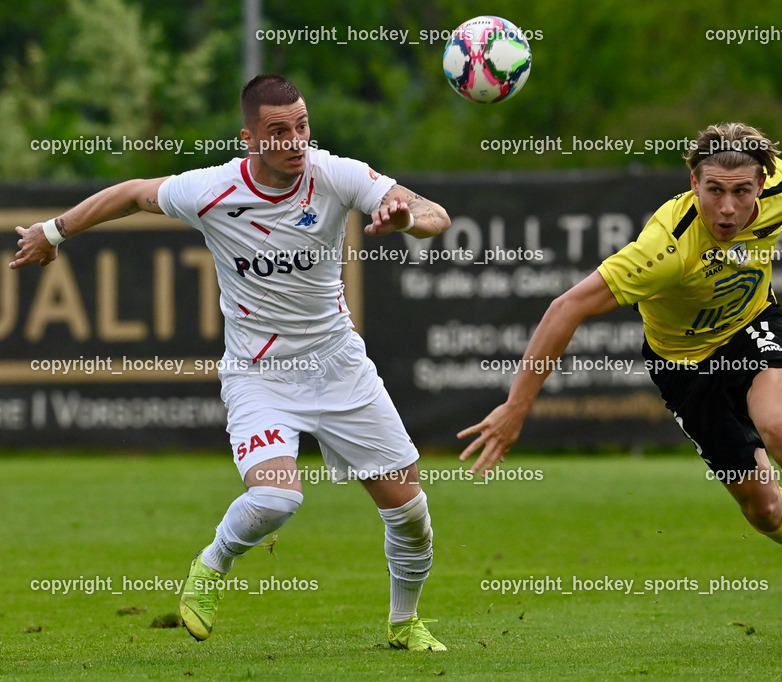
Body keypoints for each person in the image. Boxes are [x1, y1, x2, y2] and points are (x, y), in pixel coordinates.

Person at [9, 74, 451, 651]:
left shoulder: (335, 173)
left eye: (302, 126)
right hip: (260, 376)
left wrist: (406, 215)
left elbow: (433, 213)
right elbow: (131, 193)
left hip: (341, 368)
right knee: (276, 497)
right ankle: (211, 565)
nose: (295, 140)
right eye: (278, 131)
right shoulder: (211, 189)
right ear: (249, 138)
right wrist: (52, 231)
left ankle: (404, 623)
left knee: (412, 515)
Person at [458, 122, 782, 637]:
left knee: (781, 427)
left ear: (760, 187)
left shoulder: (776, 186)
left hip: (753, 328)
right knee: (766, 509)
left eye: (742, 192)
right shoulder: (665, 249)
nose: (727, 207)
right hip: (683, 368)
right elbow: (564, 309)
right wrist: (516, 407)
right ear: (693, 182)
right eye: (714, 191)